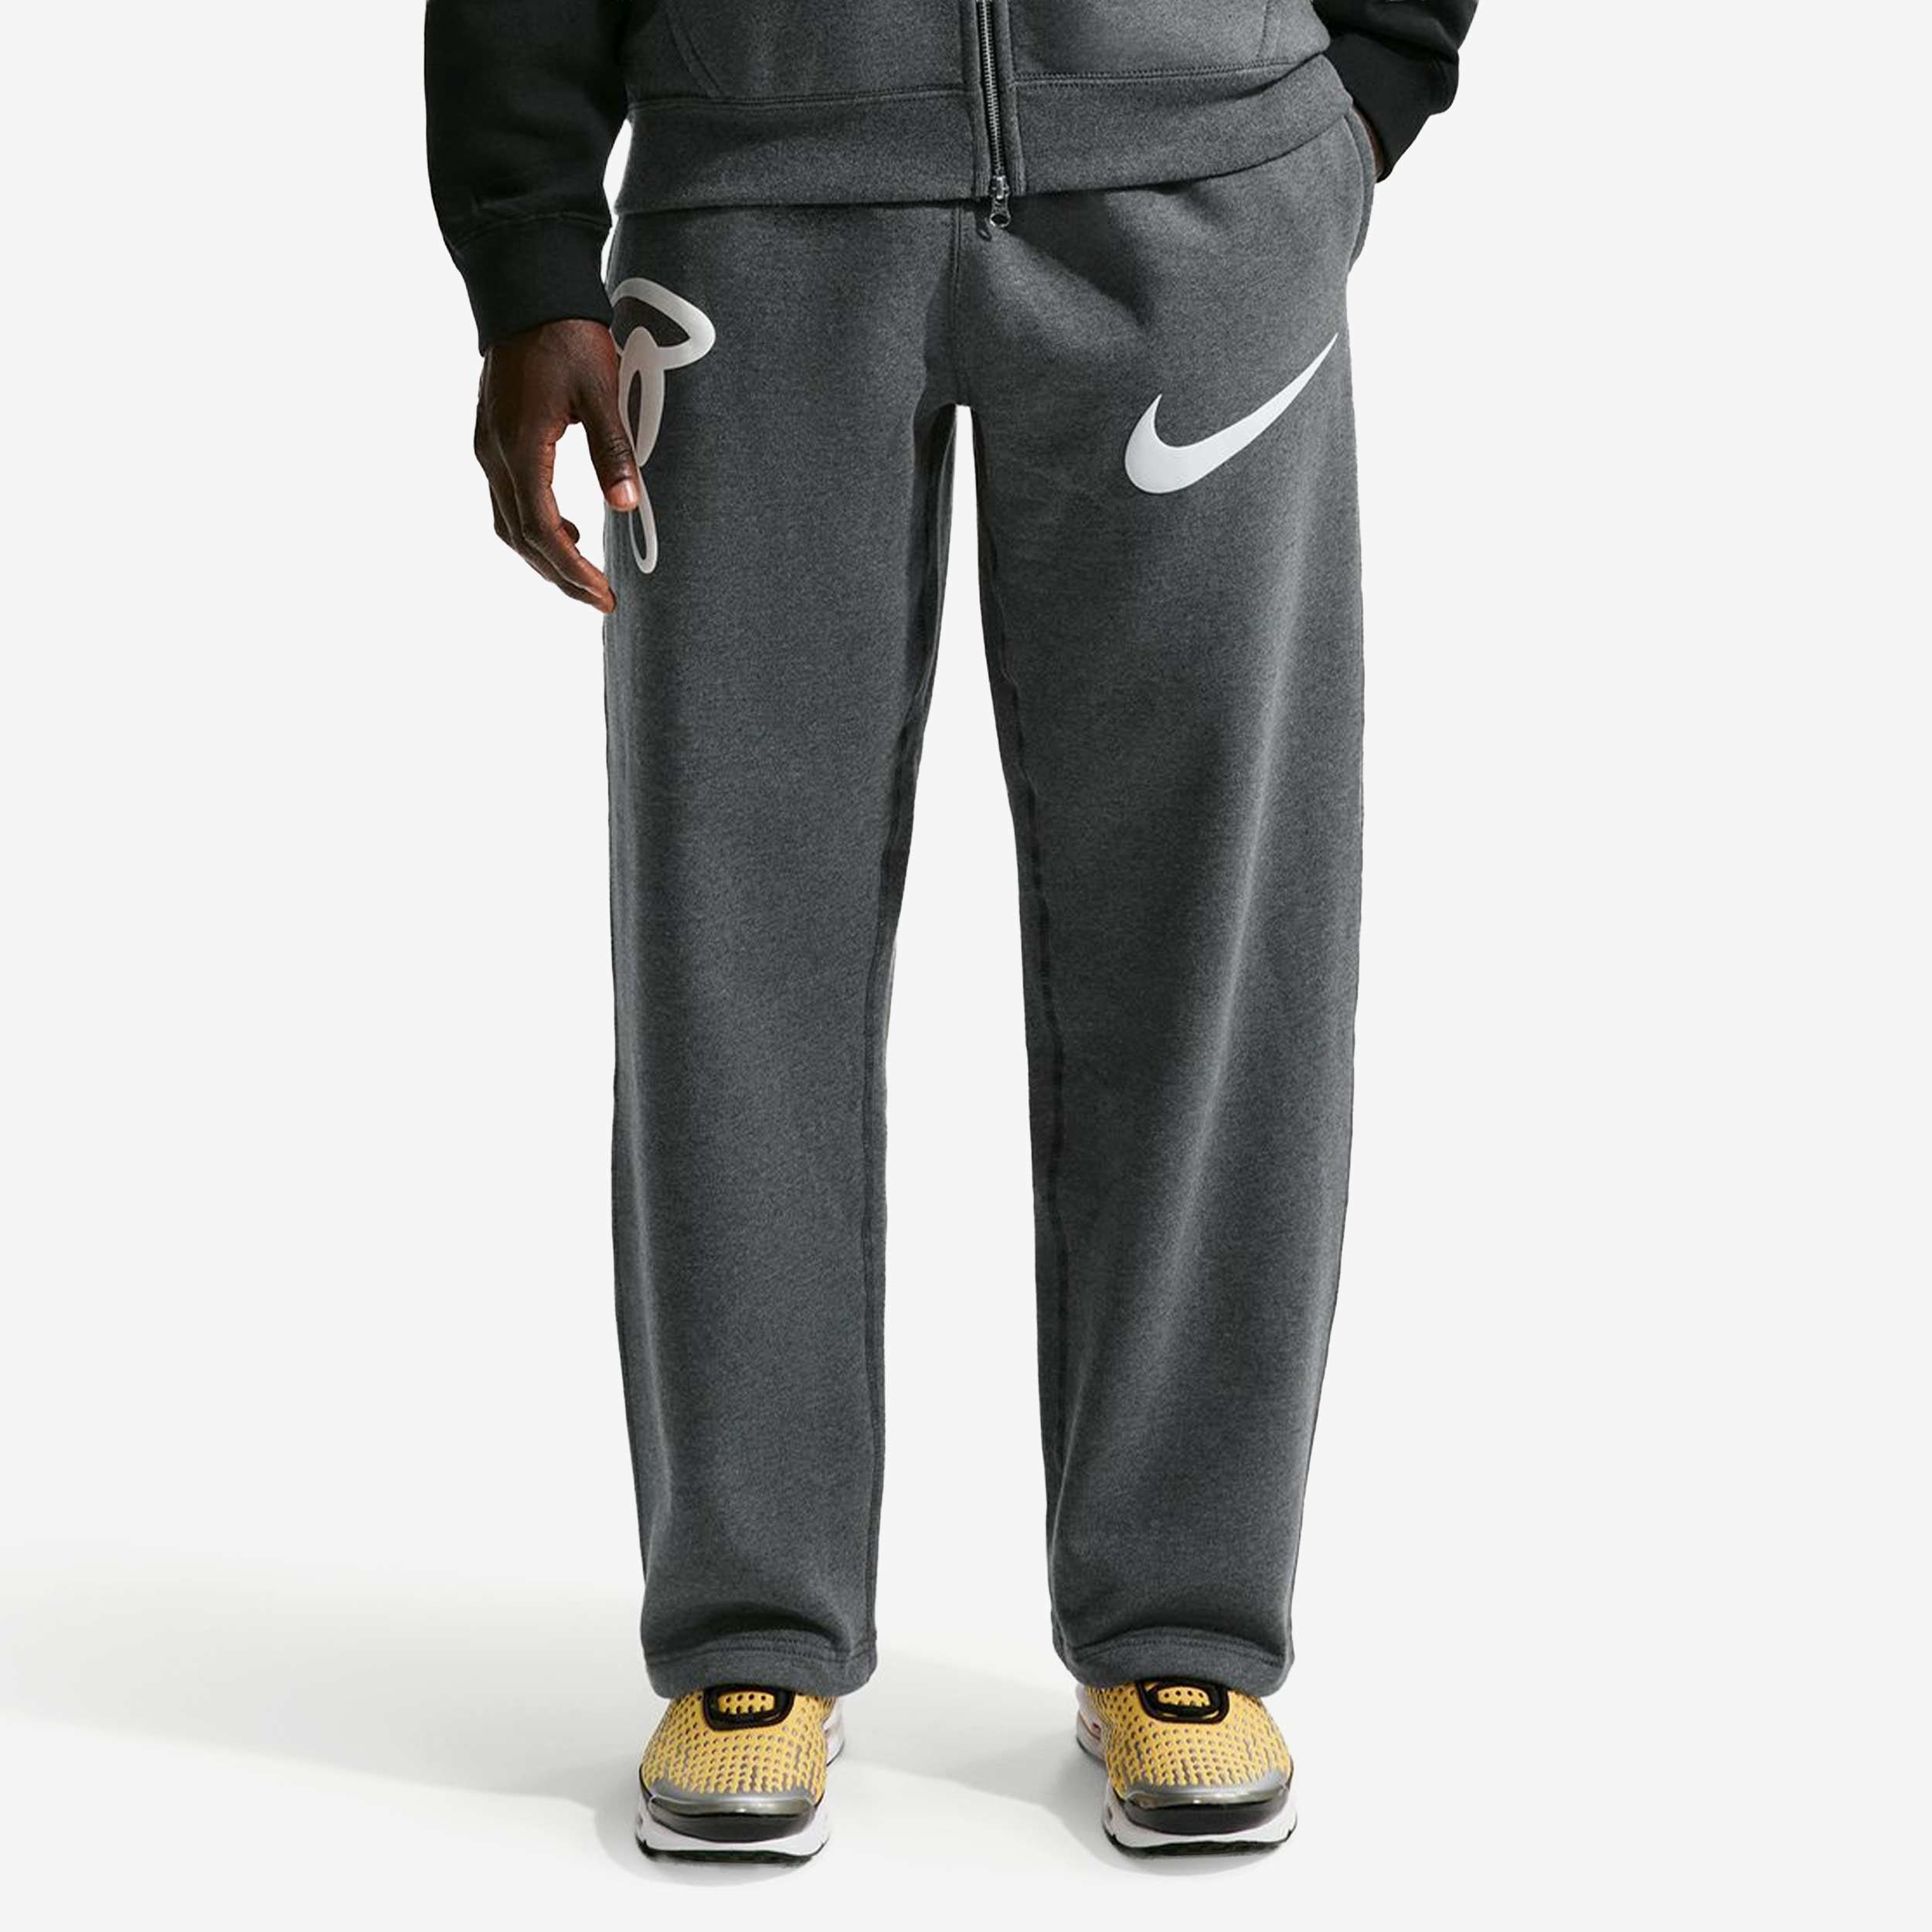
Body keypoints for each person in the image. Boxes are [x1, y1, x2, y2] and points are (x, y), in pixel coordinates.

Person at [427, 0, 1475, 1861]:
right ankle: (751, 1627)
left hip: (1204, 178)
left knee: (1217, 923)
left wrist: (1363, 84)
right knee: (732, 930)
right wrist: (526, 252)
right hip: (751, 205)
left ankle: (1181, 1623)